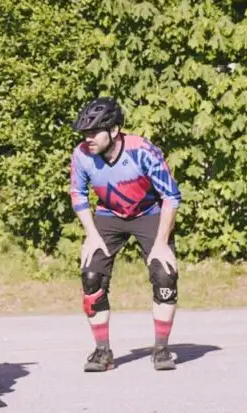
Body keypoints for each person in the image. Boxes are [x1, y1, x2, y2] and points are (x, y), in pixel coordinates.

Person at [68, 96, 183, 372]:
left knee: (164, 273)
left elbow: (171, 197)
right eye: (85, 133)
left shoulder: (143, 150)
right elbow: (78, 193)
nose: (88, 138)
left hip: (149, 211)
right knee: (91, 276)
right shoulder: (81, 155)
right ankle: (102, 352)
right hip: (108, 214)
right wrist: (91, 235)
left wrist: (161, 243)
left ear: (115, 130)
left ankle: (161, 349)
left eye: (95, 132)